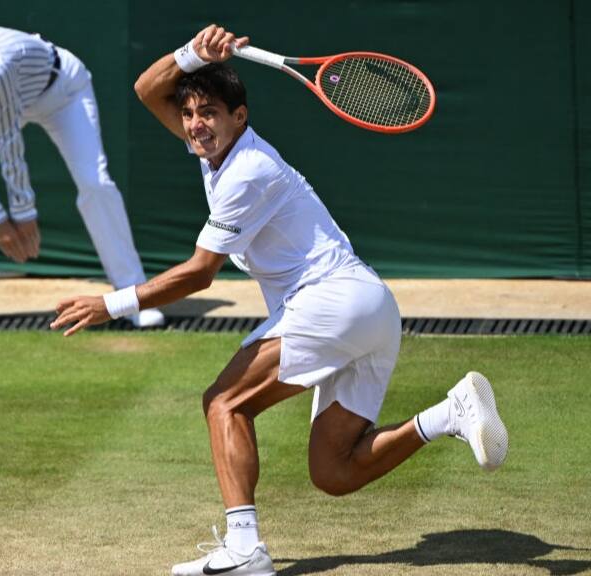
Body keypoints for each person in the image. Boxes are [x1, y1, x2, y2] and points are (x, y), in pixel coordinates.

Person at [50, 24, 509, 576]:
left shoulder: (249, 171)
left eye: (209, 113)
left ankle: (245, 548)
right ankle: (448, 413)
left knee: (225, 403)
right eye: (189, 114)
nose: (195, 124)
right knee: (334, 471)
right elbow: (149, 89)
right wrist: (193, 52)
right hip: (373, 311)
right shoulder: (215, 151)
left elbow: (199, 274)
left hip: (332, 301)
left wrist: (111, 304)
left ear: (239, 117)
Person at [0, 8, 164, 328]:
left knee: (95, 183)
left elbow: (10, 140)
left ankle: (132, 296)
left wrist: (22, 213)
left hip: (62, 93)